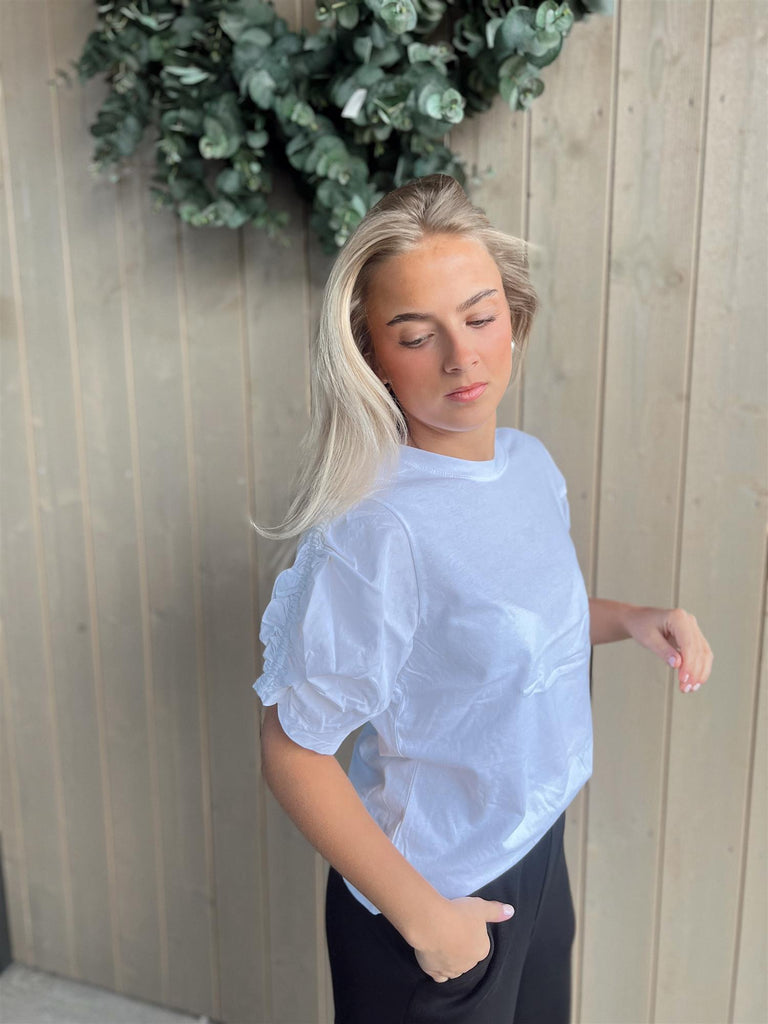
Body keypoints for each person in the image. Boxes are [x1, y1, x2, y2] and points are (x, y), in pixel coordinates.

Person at [250, 173, 714, 1024]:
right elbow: (293, 750)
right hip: (434, 898)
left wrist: (633, 620)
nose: (461, 357)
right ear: (372, 355)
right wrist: (425, 920)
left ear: (514, 315)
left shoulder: (528, 465)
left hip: (536, 847)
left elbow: (499, 628)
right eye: (415, 335)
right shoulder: (378, 530)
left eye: (479, 317)